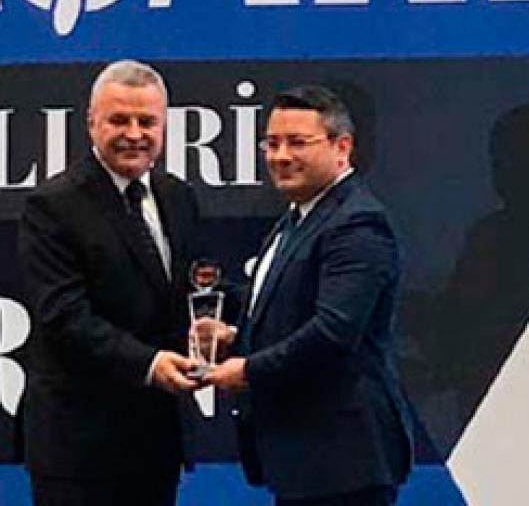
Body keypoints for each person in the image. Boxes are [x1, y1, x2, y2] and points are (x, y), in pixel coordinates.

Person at [200, 85, 413, 505]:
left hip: (343, 463)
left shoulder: (357, 224)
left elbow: (332, 333)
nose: (280, 156)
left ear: (342, 147)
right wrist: (233, 333)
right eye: (272, 143)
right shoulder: (299, 217)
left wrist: (248, 370)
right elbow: (285, 305)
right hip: (302, 460)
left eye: (297, 143)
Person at [18, 60, 201, 505]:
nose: (134, 134)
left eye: (147, 122)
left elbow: (188, 291)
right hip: (78, 452)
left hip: (155, 443)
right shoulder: (53, 206)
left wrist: (215, 325)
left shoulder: (178, 196)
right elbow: (64, 317)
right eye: (119, 120)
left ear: (164, 126)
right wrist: (150, 363)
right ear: (91, 124)